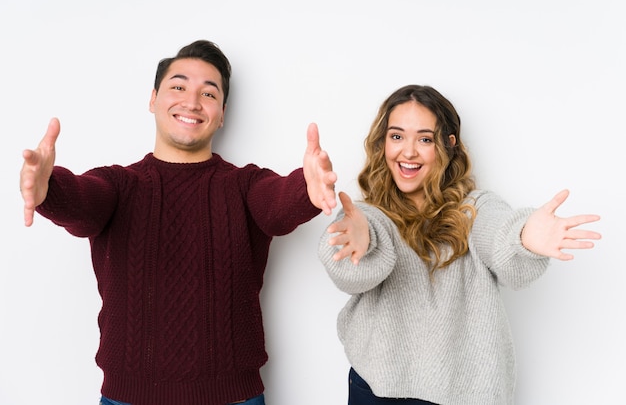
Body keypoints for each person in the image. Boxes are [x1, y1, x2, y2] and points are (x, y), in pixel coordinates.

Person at [20, 40, 337, 405]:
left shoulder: (244, 185)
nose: (191, 102)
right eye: (179, 86)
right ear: (153, 99)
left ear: (221, 114)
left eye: (209, 93)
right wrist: (48, 187)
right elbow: (81, 199)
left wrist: (308, 188)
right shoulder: (117, 185)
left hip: (233, 398)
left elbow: (278, 203)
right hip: (130, 398)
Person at [318, 84, 601, 405]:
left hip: (461, 395)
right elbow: (350, 271)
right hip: (377, 389)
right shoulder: (367, 216)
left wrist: (524, 239)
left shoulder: (475, 208)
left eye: (424, 139)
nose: (408, 151)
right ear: (383, 142)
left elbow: (501, 238)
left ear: (448, 144)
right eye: (396, 136)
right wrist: (361, 244)